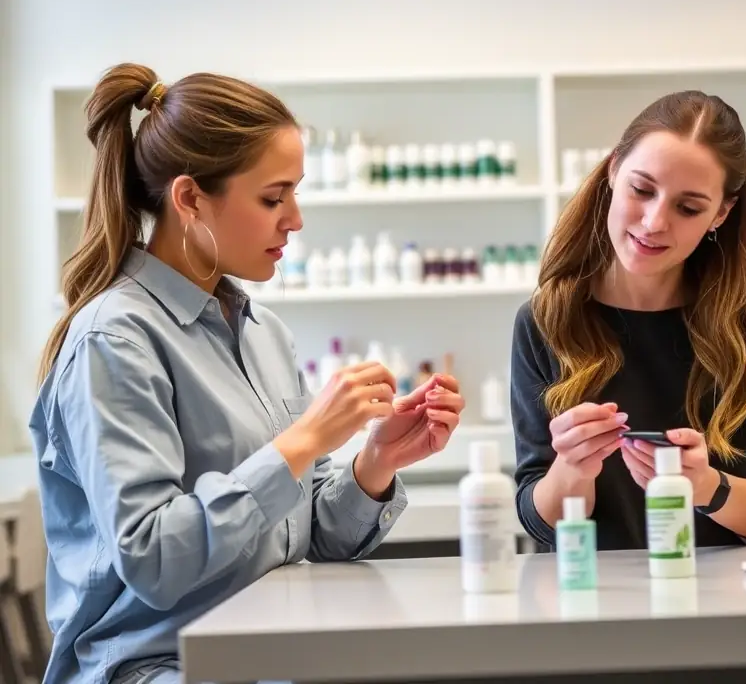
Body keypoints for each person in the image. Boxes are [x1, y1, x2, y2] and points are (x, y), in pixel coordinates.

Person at [27, 63, 466, 684]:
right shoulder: (115, 341)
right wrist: (303, 440)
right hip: (157, 669)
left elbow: (308, 533)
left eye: (295, 192)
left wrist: (375, 465)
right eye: (273, 197)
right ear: (189, 200)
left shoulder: (263, 333)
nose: (295, 219)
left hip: (267, 654)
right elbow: (153, 558)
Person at [511, 90, 746, 552]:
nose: (654, 222)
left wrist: (708, 487)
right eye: (642, 189)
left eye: (688, 207)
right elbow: (540, 521)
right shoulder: (548, 319)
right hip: (597, 602)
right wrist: (571, 469)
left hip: (736, 602)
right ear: (613, 170)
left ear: (721, 213)